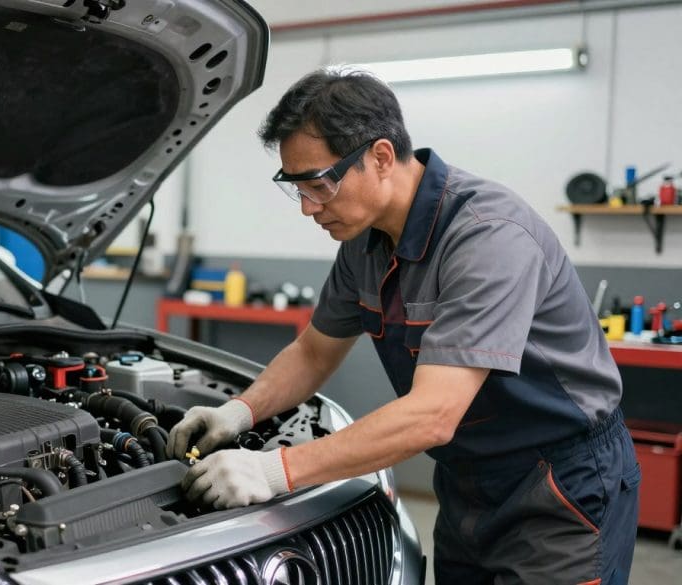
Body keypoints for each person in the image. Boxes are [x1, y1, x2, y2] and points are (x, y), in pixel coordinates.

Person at [167, 68, 640, 584]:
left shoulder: (487, 237)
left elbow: (432, 415)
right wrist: (240, 411)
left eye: (319, 184)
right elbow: (313, 351)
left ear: (382, 157)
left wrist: (274, 470)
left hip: (560, 484)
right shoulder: (363, 243)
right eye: (295, 188)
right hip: (466, 482)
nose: (307, 208)